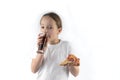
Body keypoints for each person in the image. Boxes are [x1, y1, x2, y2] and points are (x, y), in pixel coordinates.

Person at [31, 12, 80, 80]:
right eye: (42, 27)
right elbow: (33, 70)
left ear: (59, 30)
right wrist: (41, 50)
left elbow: (76, 73)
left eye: (50, 27)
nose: (45, 31)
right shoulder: (38, 47)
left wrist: (71, 64)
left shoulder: (67, 46)